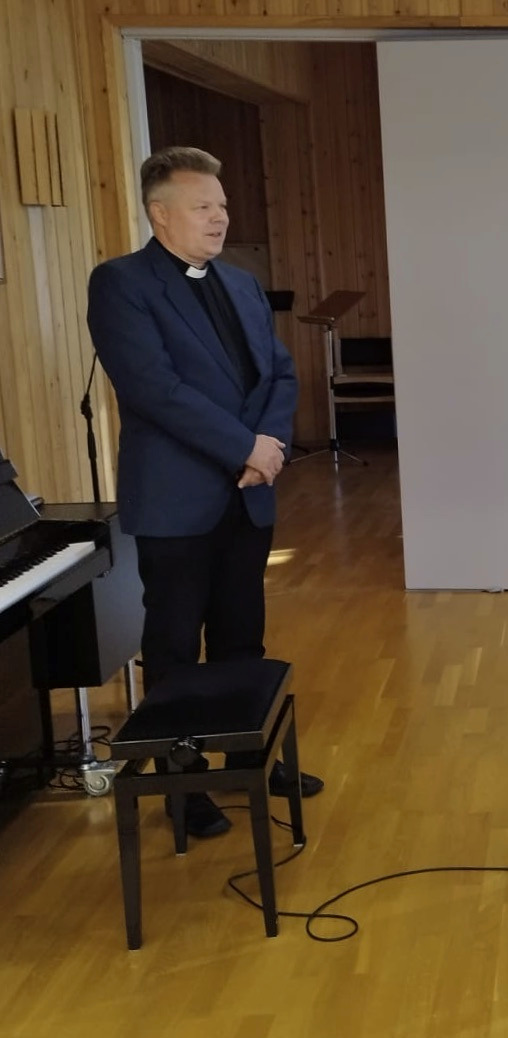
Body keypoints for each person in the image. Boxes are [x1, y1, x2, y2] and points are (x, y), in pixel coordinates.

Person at [87, 146, 323, 839]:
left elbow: (280, 373)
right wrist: (244, 447)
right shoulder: (122, 283)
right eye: (203, 207)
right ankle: (183, 786)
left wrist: (269, 445)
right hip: (176, 497)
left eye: (221, 206)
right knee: (173, 642)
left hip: (248, 491)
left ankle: (248, 759)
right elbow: (153, 389)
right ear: (160, 214)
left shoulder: (242, 284)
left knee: (242, 634)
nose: (219, 218)